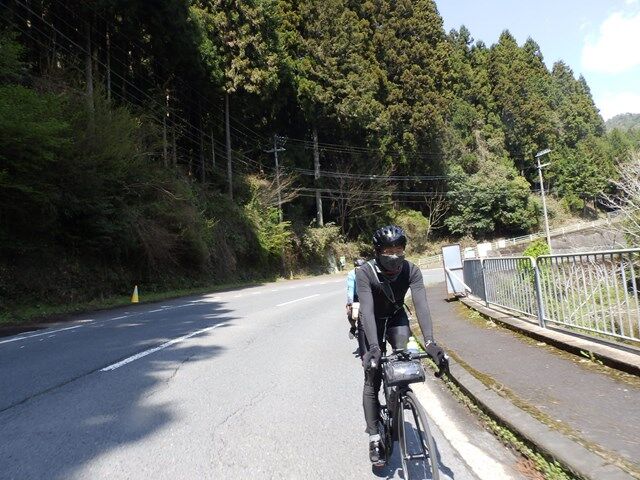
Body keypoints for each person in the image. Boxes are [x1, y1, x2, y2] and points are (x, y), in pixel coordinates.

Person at [356, 224, 447, 466]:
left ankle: (398, 397)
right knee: (372, 376)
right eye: (388, 251)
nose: (394, 256)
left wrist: (430, 343)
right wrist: (374, 348)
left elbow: (422, 305)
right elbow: (366, 309)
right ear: (377, 251)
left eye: (399, 250)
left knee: (404, 363)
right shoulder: (365, 272)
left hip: (396, 317)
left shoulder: (411, 270)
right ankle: (375, 438)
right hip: (372, 322)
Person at [346, 258, 367, 355]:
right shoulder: (351, 274)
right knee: (351, 314)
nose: (359, 271)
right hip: (356, 297)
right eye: (357, 269)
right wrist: (350, 303)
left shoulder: (368, 272)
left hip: (366, 295)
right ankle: (353, 327)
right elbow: (350, 288)